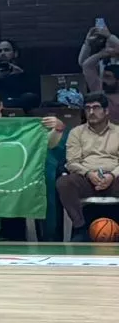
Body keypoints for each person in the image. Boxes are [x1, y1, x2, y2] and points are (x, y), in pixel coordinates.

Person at [57, 95, 119, 238]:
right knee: (64, 182)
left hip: (115, 178)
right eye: (88, 108)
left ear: (106, 111)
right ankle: (81, 228)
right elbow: (72, 162)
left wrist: (112, 175)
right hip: (86, 179)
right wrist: (89, 174)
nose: (91, 112)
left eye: (96, 107)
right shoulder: (76, 132)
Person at [0, 39, 39, 112]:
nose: (3, 53)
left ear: (15, 53)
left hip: (19, 101)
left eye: (6, 50)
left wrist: (22, 75)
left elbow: (34, 90)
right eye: (0, 51)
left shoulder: (25, 68)